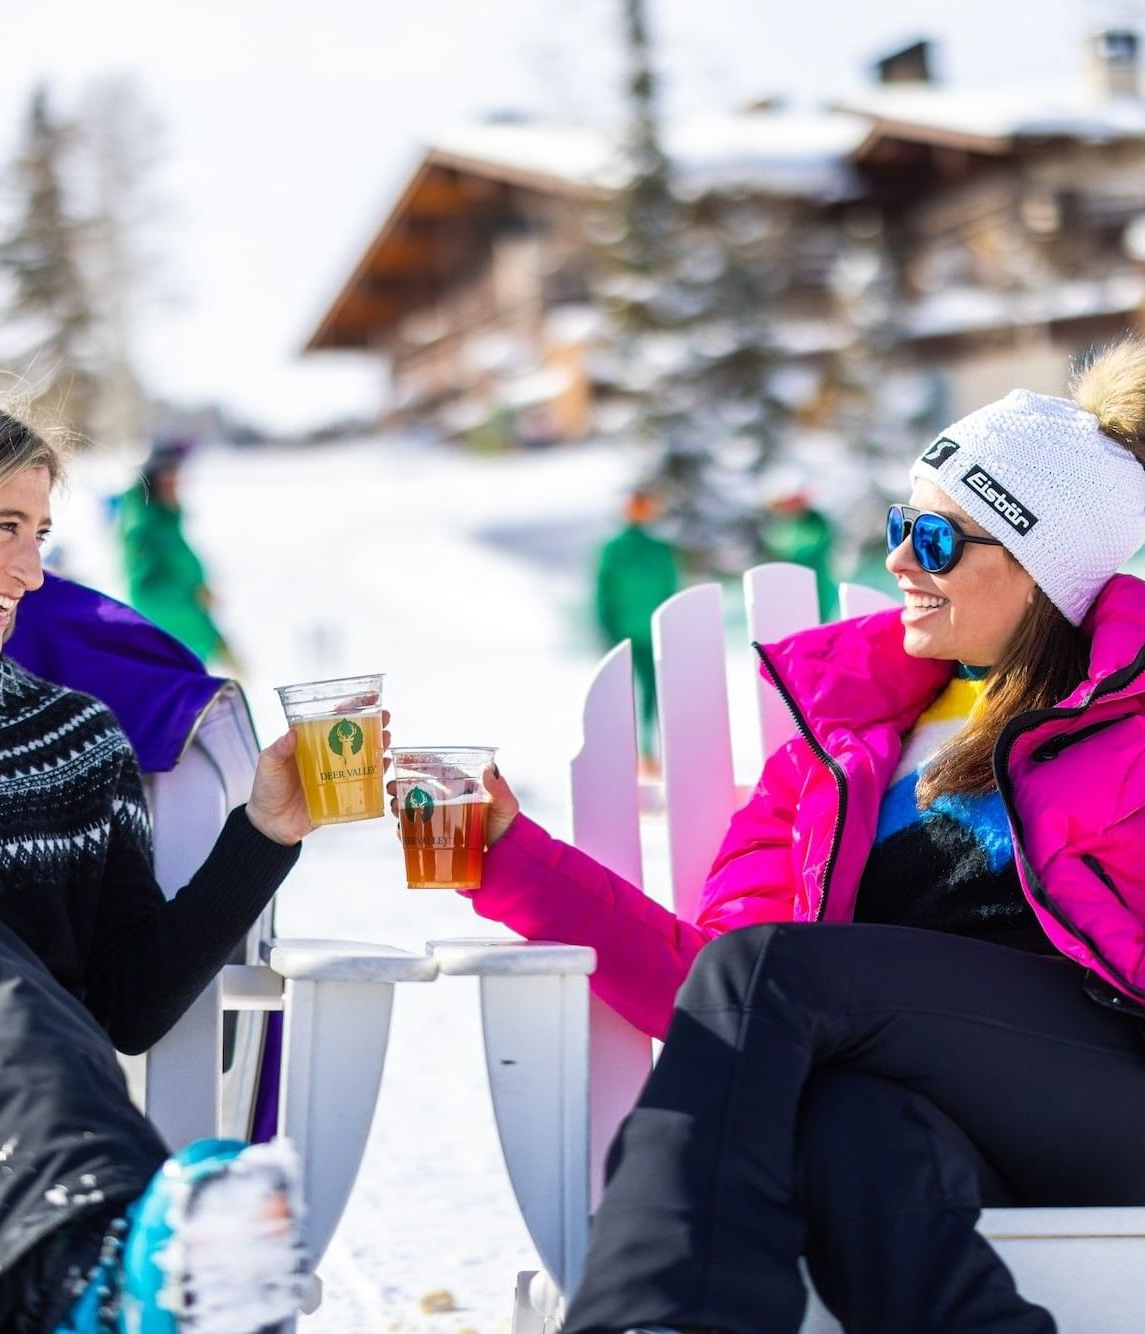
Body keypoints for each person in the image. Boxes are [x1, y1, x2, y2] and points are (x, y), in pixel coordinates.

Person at [450, 340, 1145, 1332]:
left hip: (1111, 1108)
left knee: (781, 974)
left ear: (1040, 570)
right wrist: (509, 855)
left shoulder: (1129, 718)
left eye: (938, 540)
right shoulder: (837, 751)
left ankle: (653, 1318)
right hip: (947, 1127)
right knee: (841, 1122)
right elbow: (715, 989)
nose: (899, 560)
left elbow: (767, 974)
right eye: (902, 527)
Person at [0, 384, 386, 1334]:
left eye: (41, 533)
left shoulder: (74, 740)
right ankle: (117, 1257)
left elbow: (126, 1006)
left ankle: (88, 1298)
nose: (34, 572)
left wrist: (264, 835)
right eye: (6, 526)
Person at [117, 438, 231, 667]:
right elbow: (144, 593)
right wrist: (196, 610)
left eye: (177, 476)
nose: (176, 484)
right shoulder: (143, 527)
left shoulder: (166, 523)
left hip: (192, 640)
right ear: (153, 481)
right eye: (169, 477)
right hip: (174, 645)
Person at [593, 489, 680, 766]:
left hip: (651, 636)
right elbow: (603, 591)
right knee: (623, 694)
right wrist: (605, 627)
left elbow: (670, 590)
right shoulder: (614, 549)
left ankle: (647, 751)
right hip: (624, 634)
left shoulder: (660, 549)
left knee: (651, 694)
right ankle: (625, 752)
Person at [759, 488, 838, 620]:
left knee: (819, 620)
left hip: (819, 583)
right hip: (793, 585)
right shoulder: (786, 525)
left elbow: (817, 547)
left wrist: (788, 558)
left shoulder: (815, 522)